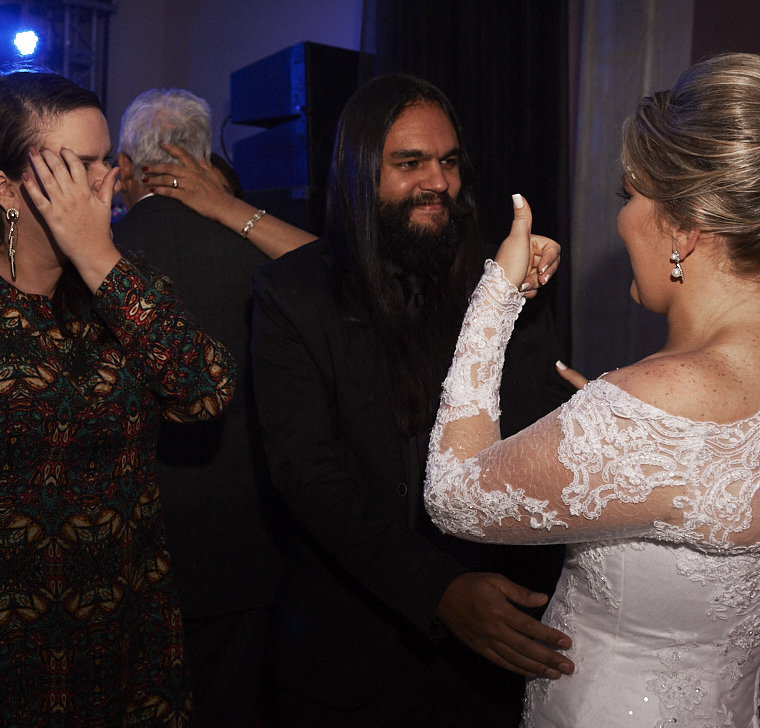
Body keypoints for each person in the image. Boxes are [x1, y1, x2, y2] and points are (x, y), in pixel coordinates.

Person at [425, 52, 760, 726]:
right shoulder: (653, 410)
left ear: (685, 225)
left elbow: (453, 496)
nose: (622, 216)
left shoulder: (652, 409)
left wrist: (497, 296)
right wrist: (611, 425)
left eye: (630, 193)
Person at [0, 68, 235, 727]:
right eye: (78, 166)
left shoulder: (123, 285)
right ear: (4, 187)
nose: (107, 182)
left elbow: (205, 392)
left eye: (105, 159)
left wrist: (98, 258)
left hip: (125, 622)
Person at [250, 73, 575, 726]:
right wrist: (440, 590)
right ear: (360, 172)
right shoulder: (293, 293)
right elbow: (308, 475)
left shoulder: (506, 281)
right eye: (410, 163)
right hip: (347, 656)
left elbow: (541, 441)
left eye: (449, 161)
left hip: (490, 661)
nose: (438, 181)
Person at [111, 87, 307, 727]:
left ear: (123, 166)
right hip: (242, 539)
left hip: (124, 544)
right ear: (203, 158)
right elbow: (341, 278)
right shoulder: (264, 257)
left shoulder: (95, 257)